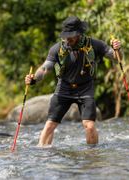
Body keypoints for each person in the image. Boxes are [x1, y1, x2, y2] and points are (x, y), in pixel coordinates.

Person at [25, 16, 121, 147]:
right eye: (65, 36)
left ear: (79, 34)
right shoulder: (57, 49)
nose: (67, 39)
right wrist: (34, 79)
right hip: (64, 87)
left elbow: (117, 58)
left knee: (90, 126)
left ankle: (92, 156)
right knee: (50, 125)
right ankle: (42, 155)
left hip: (85, 88)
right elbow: (45, 68)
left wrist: (117, 49)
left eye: (71, 36)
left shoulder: (95, 45)